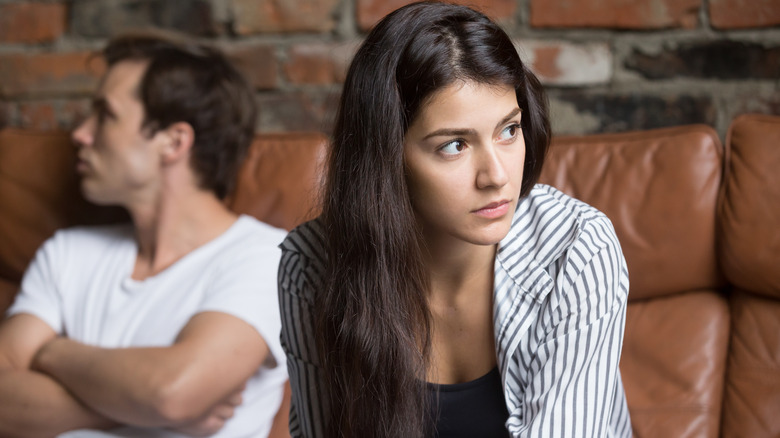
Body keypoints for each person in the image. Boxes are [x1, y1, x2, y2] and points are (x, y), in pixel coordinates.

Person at [278, 2, 632, 437]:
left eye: (509, 130)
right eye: (454, 146)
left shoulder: (575, 251)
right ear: (385, 159)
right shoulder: (311, 268)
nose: (497, 177)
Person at [0, 33, 287, 438]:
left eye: (105, 114)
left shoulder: (269, 258)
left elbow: (171, 393)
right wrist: (135, 409)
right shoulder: (67, 252)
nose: (81, 134)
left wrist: (52, 352)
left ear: (173, 141)